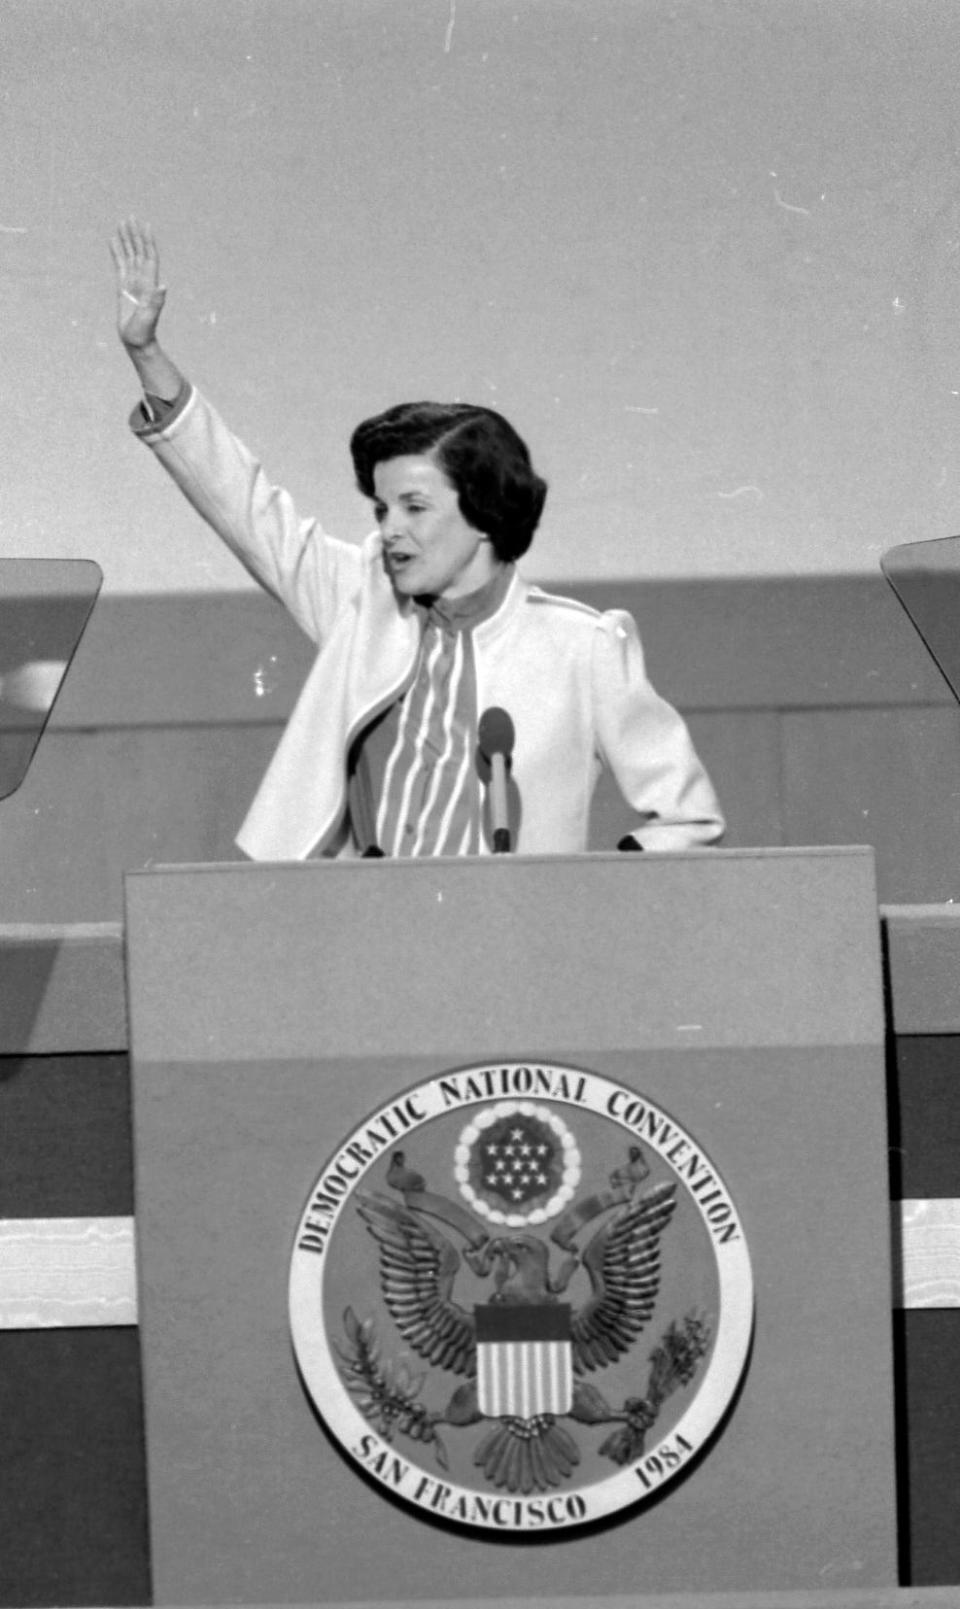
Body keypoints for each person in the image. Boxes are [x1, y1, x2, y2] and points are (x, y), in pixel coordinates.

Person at [110, 218, 723, 862]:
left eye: (414, 506)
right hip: (360, 933)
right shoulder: (360, 600)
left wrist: (588, 902)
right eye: (381, 507)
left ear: (484, 511)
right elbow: (246, 509)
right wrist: (147, 355)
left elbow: (688, 821)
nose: (389, 528)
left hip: (512, 947)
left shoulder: (585, 648)